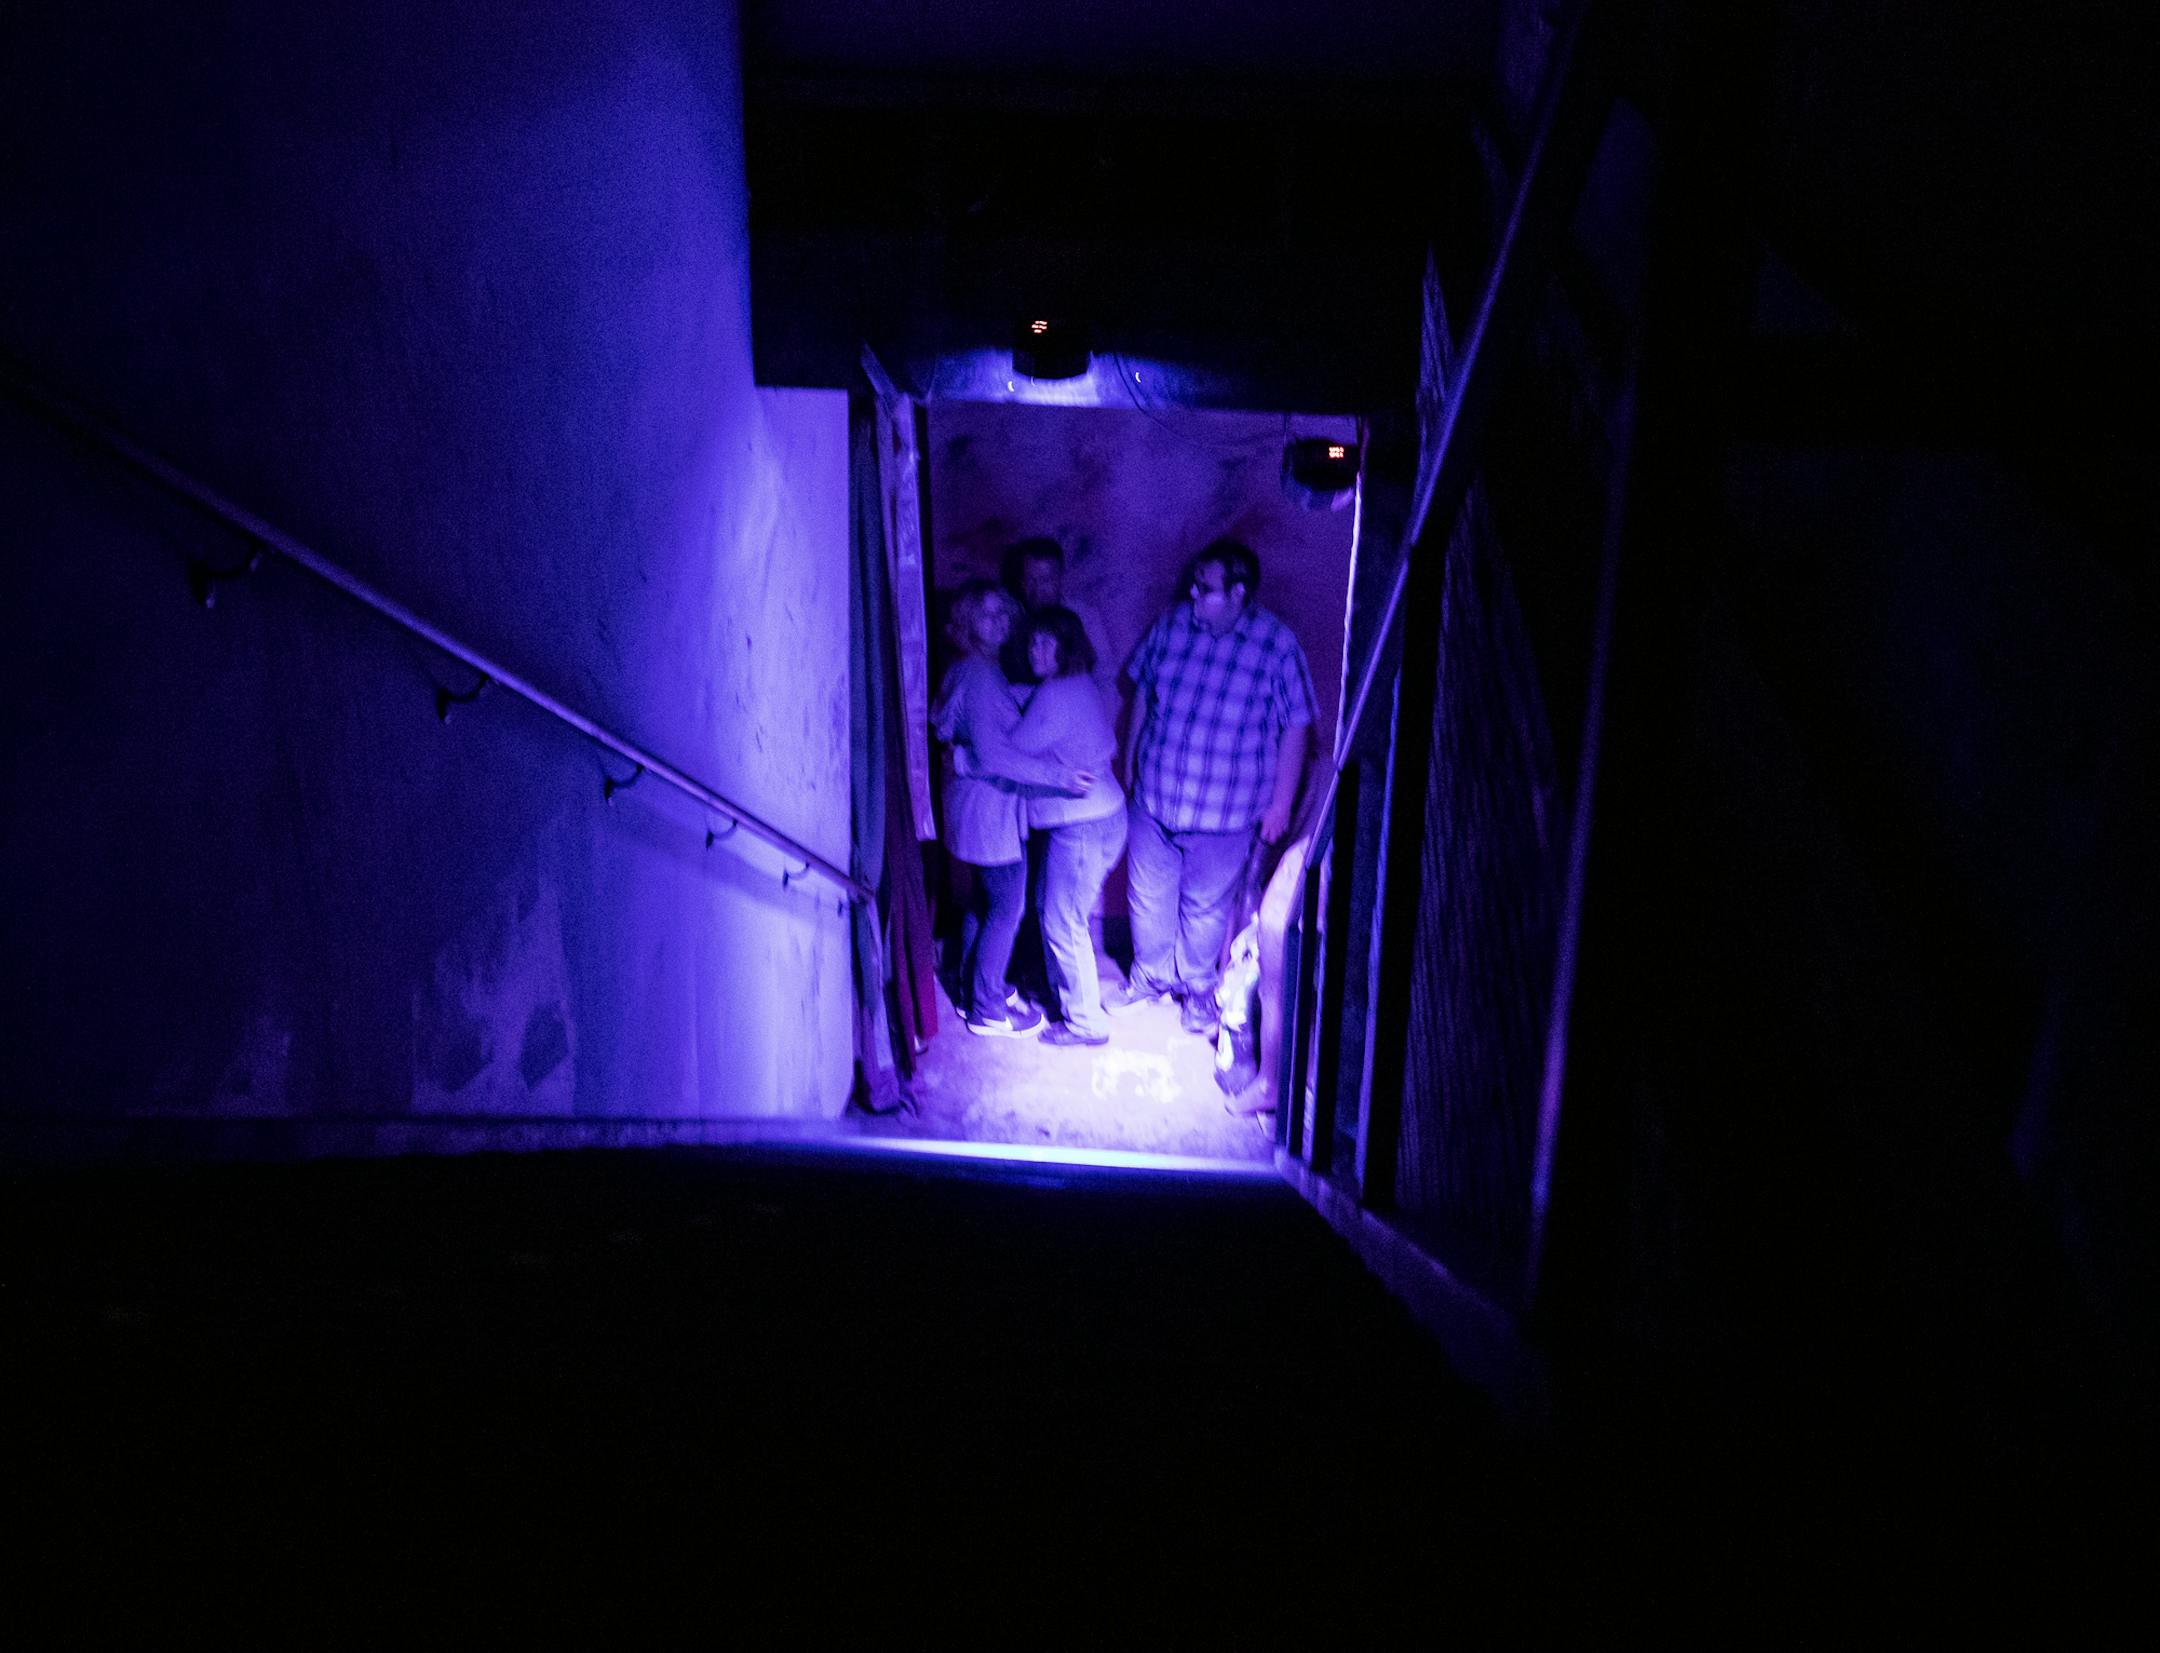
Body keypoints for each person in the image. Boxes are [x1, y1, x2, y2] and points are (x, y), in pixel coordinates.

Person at [1111, 538, 1317, 1040]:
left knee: (1205, 907)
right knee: (1147, 895)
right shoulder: (1173, 624)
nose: (1194, 594)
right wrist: (1132, 757)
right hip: (1156, 797)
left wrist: (1281, 803)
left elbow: (1297, 725)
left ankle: (1198, 990)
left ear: (1240, 593)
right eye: (1195, 585)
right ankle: (1150, 976)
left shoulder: (1276, 644)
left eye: (1207, 589)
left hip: (1226, 811)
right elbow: (1141, 690)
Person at [931, 580, 1089, 1037]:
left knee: (983, 906)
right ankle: (987, 1008)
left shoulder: (977, 669)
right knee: (1007, 908)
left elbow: (979, 738)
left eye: (1004, 610)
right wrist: (1062, 777)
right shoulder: (980, 676)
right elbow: (995, 755)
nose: (999, 619)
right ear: (964, 622)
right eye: (986, 612)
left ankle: (976, 991)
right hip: (988, 814)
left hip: (977, 810)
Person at [964, 606, 1127, 1048]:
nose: (1035, 649)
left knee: (1062, 921)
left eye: (1046, 642)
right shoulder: (1072, 685)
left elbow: (1007, 753)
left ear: (1066, 646)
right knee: (1053, 913)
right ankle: (1070, 1005)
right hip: (1094, 821)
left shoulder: (1058, 696)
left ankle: (1086, 1023)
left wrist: (961, 755)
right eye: (1032, 640)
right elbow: (1030, 707)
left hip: (1084, 827)